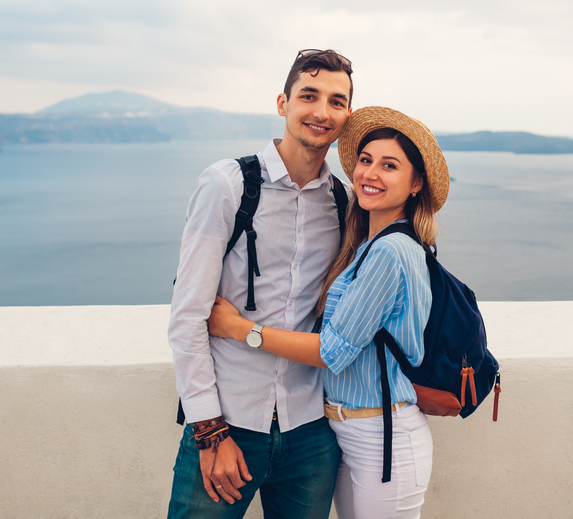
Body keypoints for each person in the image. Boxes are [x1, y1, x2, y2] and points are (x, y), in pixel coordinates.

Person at [208, 106, 450, 519]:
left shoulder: (390, 252)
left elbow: (334, 352)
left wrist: (240, 328)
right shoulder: (370, 245)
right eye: (366, 160)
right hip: (350, 431)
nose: (370, 174)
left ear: (415, 184)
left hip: (383, 436)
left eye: (389, 166)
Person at [166, 49, 354, 519]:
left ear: (347, 115)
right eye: (308, 96)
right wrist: (209, 432)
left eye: (336, 101)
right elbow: (188, 317)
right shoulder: (228, 185)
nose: (321, 111)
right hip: (228, 424)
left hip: (312, 433)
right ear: (282, 102)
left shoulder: (345, 202)